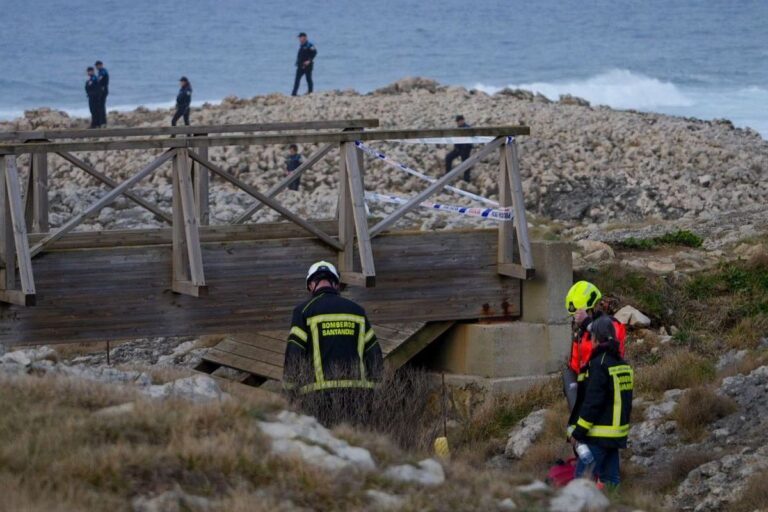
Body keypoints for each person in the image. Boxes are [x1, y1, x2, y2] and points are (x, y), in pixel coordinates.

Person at [283, 261, 383, 426]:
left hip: (318, 397)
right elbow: (374, 354)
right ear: (336, 284)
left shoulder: (303, 311)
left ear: (311, 285)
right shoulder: (357, 311)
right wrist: (376, 392)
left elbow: (294, 354)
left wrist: (288, 393)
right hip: (358, 396)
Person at [567, 315, 634, 488]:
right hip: (616, 435)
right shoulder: (623, 364)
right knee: (611, 481)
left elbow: (592, 403)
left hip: (598, 435)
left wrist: (578, 432)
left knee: (581, 482)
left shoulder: (599, 364)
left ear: (596, 338)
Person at [562, 281, 627, 412]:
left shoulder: (612, 324)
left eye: (579, 314)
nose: (576, 319)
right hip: (588, 395)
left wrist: (587, 323)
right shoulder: (581, 333)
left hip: (608, 390)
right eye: (574, 315)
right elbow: (575, 366)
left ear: (591, 309)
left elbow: (611, 346)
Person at [444, 115, 474, 182]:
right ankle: (447, 176)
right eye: (457, 121)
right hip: (458, 149)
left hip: (465, 149)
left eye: (460, 121)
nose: (459, 122)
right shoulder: (458, 128)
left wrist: (466, 148)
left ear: (462, 120)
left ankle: (466, 179)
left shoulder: (467, 128)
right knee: (448, 157)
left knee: (466, 163)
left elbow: (471, 140)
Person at [95, 60, 109, 127]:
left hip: (103, 90)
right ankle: (102, 121)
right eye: (96, 66)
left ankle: (103, 122)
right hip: (101, 90)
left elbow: (99, 79)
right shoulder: (100, 71)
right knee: (100, 106)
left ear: (101, 65)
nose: (97, 67)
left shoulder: (103, 71)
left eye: (98, 66)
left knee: (101, 106)